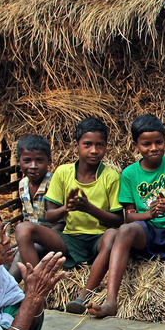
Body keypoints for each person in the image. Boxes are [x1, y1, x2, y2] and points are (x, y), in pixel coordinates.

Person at [88, 113, 165, 322]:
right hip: (147, 230)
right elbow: (129, 217)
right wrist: (149, 214)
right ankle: (111, 302)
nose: (153, 148)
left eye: (158, 142)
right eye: (146, 144)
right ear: (136, 146)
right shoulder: (129, 174)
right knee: (123, 231)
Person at [16, 117, 124, 314]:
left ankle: (82, 297)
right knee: (23, 229)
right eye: (87, 145)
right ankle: (35, 293)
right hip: (69, 238)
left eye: (99, 145)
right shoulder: (63, 172)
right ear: (76, 146)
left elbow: (118, 220)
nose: (94, 150)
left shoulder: (111, 177)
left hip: (97, 240)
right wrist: (68, 208)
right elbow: (50, 216)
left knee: (113, 235)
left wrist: (88, 208)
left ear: (106, 147)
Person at [10, 134, 57, 279]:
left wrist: (37, 238)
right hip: (30, 237)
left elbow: (62, 223)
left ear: (49, 160)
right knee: (5, 257)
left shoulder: (54, 183)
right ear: (19, 162)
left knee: (21, 256)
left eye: (39, 160)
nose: (33, 166)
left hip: (52, 238)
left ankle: (17, 287)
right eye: (27, 161)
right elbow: (27, 219)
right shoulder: (23, 185)